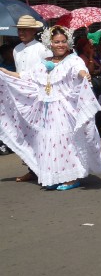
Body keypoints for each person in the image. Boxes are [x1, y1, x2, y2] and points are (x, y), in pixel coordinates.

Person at [0, 25, 101, 190]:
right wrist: (4, 72)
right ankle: (55, 176)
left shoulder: (73, 60)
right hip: (46, 110)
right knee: (49, 143)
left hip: (64, 109)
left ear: (68, 42)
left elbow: (79, 70)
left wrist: (84, 75)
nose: (60, 45)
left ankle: (72, 178)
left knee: (65, 142)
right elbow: (25, 76)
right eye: (57, 42)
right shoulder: (44, 63)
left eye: (63, 41)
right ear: (50, 43)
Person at [12, 15, 51, 181]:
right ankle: (32, 167)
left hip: (38, 95)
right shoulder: (16, 49)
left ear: (33, 31)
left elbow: (49, 70)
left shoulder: (42, 49)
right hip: (21, 96)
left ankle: (45, 167)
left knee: (40, 132)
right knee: (25, 133)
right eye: (20, 30)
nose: (22, 33)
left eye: (25, 30)